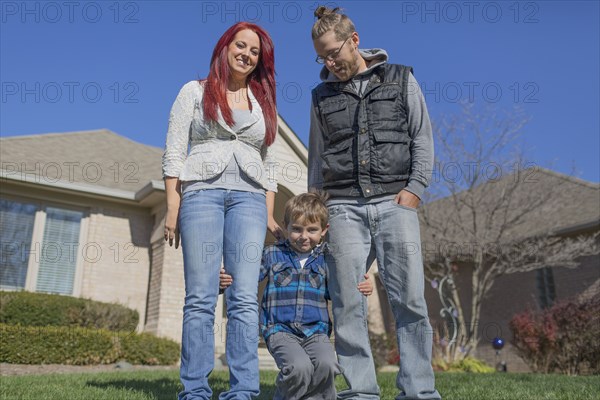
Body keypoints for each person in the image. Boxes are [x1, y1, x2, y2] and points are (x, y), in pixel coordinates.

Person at [308, 6, 442, 400]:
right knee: (348, 302)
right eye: (322, 57)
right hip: (342, 207)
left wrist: (414, 189)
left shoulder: (400, 78)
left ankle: (418, 391)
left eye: (334, 52)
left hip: (394, 201)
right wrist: (318, 210)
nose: (330, 62)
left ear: (355, 40)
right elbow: (317, 158)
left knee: (410, 300)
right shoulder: (320, 96)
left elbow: (422, 136)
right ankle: (361, 392)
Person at [162, 21, 283, 400]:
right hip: (201, 194)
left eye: (254, 52)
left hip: (249, 199)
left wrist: (269, 212)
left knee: (244, 296)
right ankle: (195, 390)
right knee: (200, 295)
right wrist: (172, 206)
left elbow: (270, 161)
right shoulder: (193, 92)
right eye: (241, 46)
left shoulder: (262, 101)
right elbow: (175, 150)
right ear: (225, 46)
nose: (246, 55)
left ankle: (243, 391)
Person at [219, 192, 374, 400]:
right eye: (297, 229)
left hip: (316, 331)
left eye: (312, 230)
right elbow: (246, 279)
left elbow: (340, 289)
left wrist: (363, 286)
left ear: (324, 230)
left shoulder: (328, 259)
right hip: (279, 329)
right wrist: (225, 281)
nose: (304, 236)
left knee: (327, 365)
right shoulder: (273, 253)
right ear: (286, 226)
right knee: (299, 367)